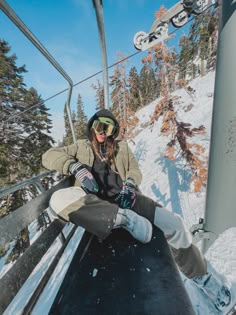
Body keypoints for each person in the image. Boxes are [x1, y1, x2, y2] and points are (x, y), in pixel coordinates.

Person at [42, 108, 231, 312]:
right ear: (92, 127)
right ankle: (122, 219)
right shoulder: (80, 147)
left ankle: (201, 275)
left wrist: (130, 185)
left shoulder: (121, 148)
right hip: (96, 206)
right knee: (58, 198)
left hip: (129, 202)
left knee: (175, 226)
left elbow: (134, 170)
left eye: (109, 128)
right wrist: (74, 167)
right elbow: (49, 155)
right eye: (99, 126)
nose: (103, 132)